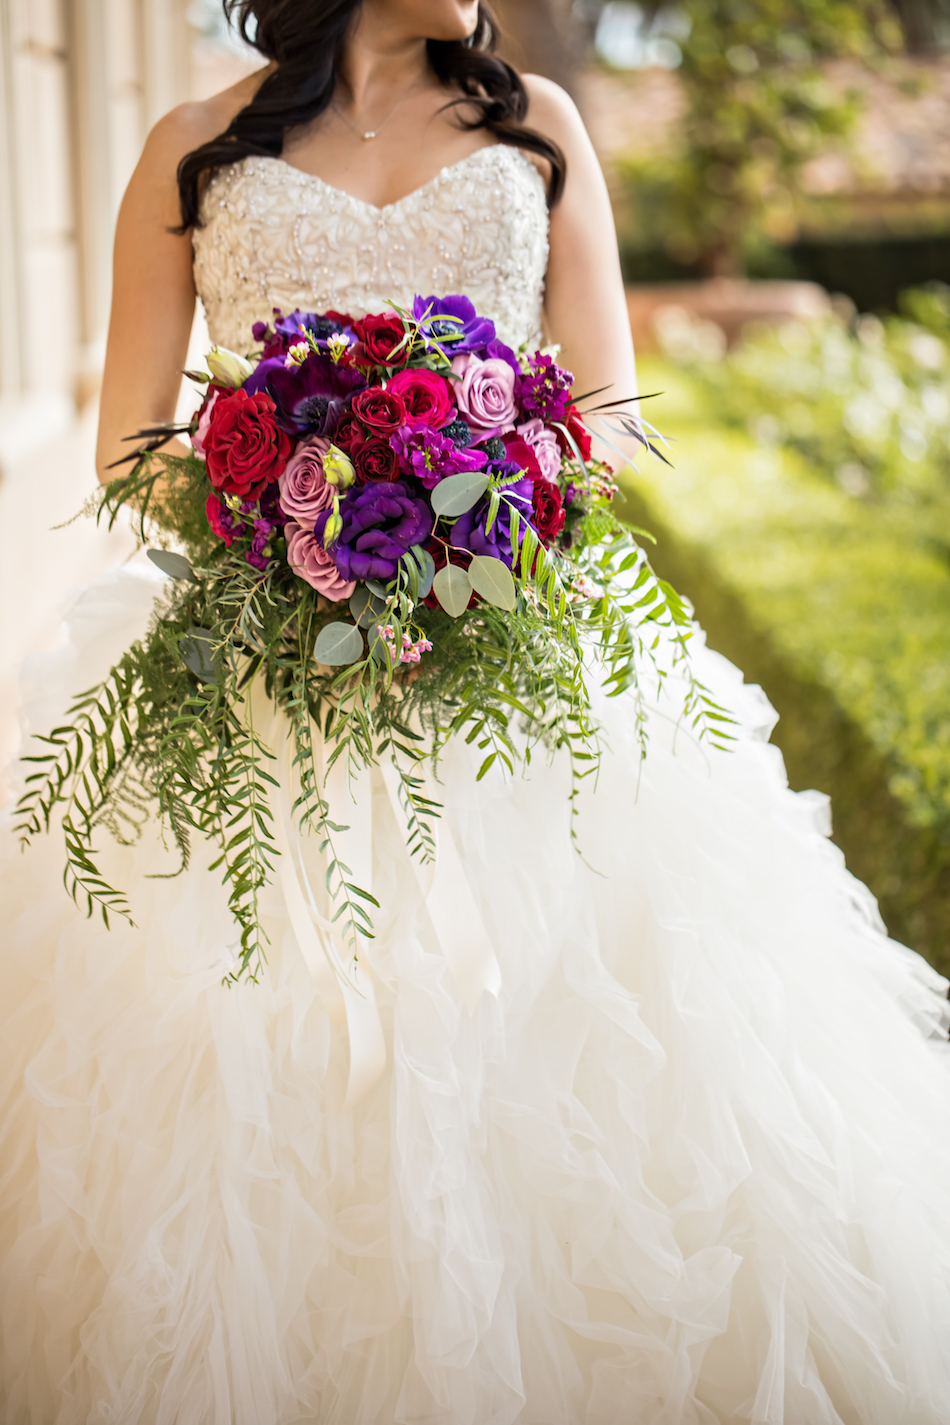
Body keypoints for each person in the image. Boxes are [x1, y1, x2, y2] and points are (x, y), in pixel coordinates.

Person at [3, 2, 950, 1421]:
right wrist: (277, 511)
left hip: (508, 658)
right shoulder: (191, 147)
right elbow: (129, 447)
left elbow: (615, 413)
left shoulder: (540, 131)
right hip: (263, 671)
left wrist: (485, 502)